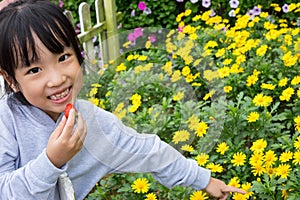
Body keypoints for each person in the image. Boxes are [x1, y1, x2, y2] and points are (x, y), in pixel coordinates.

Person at [0, 0, 246, 199]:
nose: (57, 79)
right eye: (34, 70)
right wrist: (52, 161)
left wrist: (205, 180)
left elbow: (147, 150)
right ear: (10, 79)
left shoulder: (91, 121)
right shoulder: (5, 123)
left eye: (63, 57)